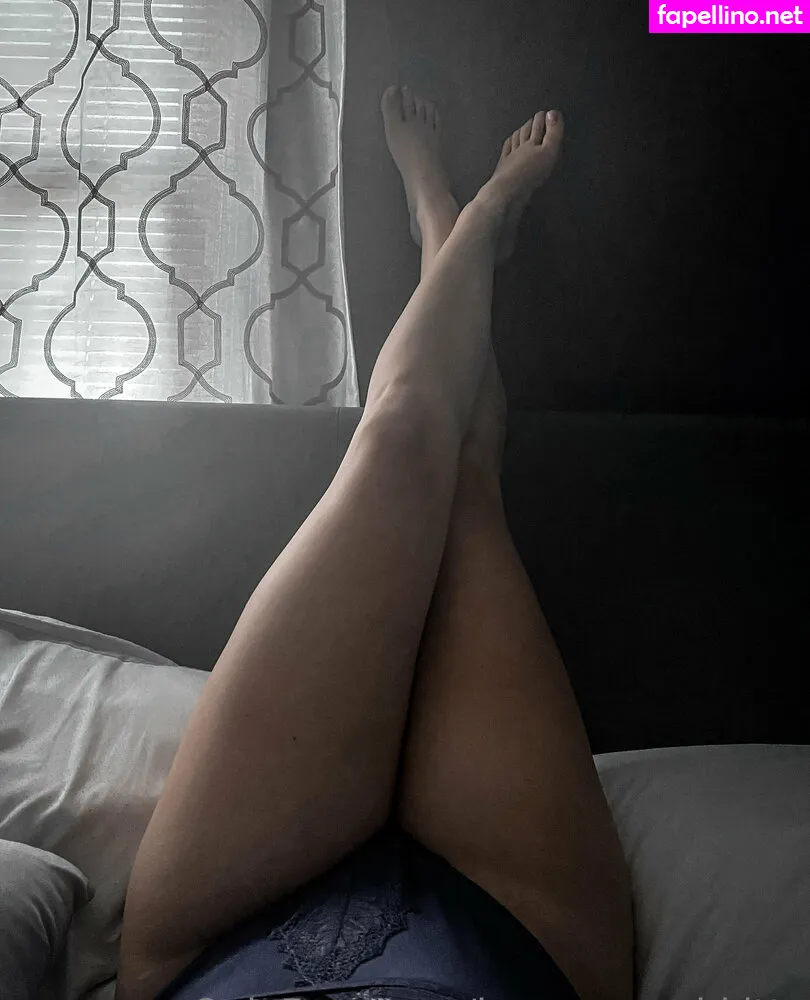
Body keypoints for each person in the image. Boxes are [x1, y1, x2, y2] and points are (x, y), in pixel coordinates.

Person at [114, 85, 634, 1000]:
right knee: (465, 484)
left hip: (213, 944)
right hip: (523, 945)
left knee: (397, 438)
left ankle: (456, 222)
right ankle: (464, 232)